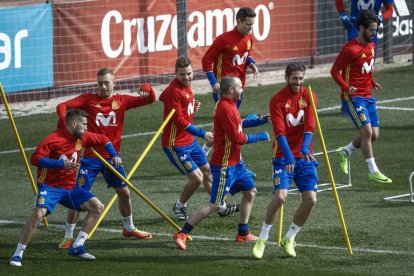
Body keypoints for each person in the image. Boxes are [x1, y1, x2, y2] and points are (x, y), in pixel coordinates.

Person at [55, 68, 156, 249]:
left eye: (106, 83)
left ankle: (128, 228)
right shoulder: (87, 100)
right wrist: (65, 126)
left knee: (124, 193)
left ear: (114, 83)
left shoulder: (122, 101)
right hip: (89, 158)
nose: (103, 86)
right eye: (100, 83)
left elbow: (150, 99)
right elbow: (62, 106)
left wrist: (148, 88)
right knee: (77, 196)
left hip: (112, 158)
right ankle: (68, 235)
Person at [10, 109, 121, 266]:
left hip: (70, 188)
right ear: (74, 124)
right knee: (38, 215)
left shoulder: (82, 136)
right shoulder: (53, 139)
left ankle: (77, 246)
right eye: (84, 124)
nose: (86, 128)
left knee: (98, 207)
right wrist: (60, 164)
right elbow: (35, 159)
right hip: (50, 187)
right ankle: (17, 254)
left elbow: (103, 139)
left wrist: (114, 154)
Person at [173, 75, 270, 250]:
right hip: (225, 166)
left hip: (235, 164)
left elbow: (239, 124)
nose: (243, 89)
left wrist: (259, 120)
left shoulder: (229, 105)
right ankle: (182, 233)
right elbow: (236, 137)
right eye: (240, 87)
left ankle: (243, 232)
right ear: (231, 90)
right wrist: (259, 136)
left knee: (251, 192)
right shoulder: (226, 108)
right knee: (216, 204)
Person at [252, 62, 318, 259]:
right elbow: (279, 131)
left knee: (311, 199)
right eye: (295, 78)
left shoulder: (309, 95)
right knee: (280, 197)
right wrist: (288, 155)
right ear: (287, 78)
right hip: (283, 156)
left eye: (301, 79)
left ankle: (289, 237)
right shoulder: (277, 100)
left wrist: (305, 146)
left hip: (304, 156)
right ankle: (263, 238)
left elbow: (310, 124)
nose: (298, 82)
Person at [330, 10, 392, 184]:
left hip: (368, 96)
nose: (374, 33)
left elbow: (366, 68)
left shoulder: (371, 46)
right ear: (361, 28)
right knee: (366, 131)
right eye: (372, 30)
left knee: (374, 135)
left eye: (376, 30)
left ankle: (345, 152)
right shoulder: (350, 49)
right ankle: (373, 171)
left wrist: (371, 81)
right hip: (353, 97)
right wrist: (346, 88)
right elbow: (334, 71)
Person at [201, 6, 263, 177]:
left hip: (238, 90)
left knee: (224, 125)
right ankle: (238, 164)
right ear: (238, 21)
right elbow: (206, 60)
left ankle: (204, 152)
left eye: (252, 24)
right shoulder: (224, 39)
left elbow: (245, 53)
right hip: (224, 90)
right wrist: (214, 83)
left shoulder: (249, 36)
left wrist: (251, 63)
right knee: (232, 126)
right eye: (248, 24)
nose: (251, 28)